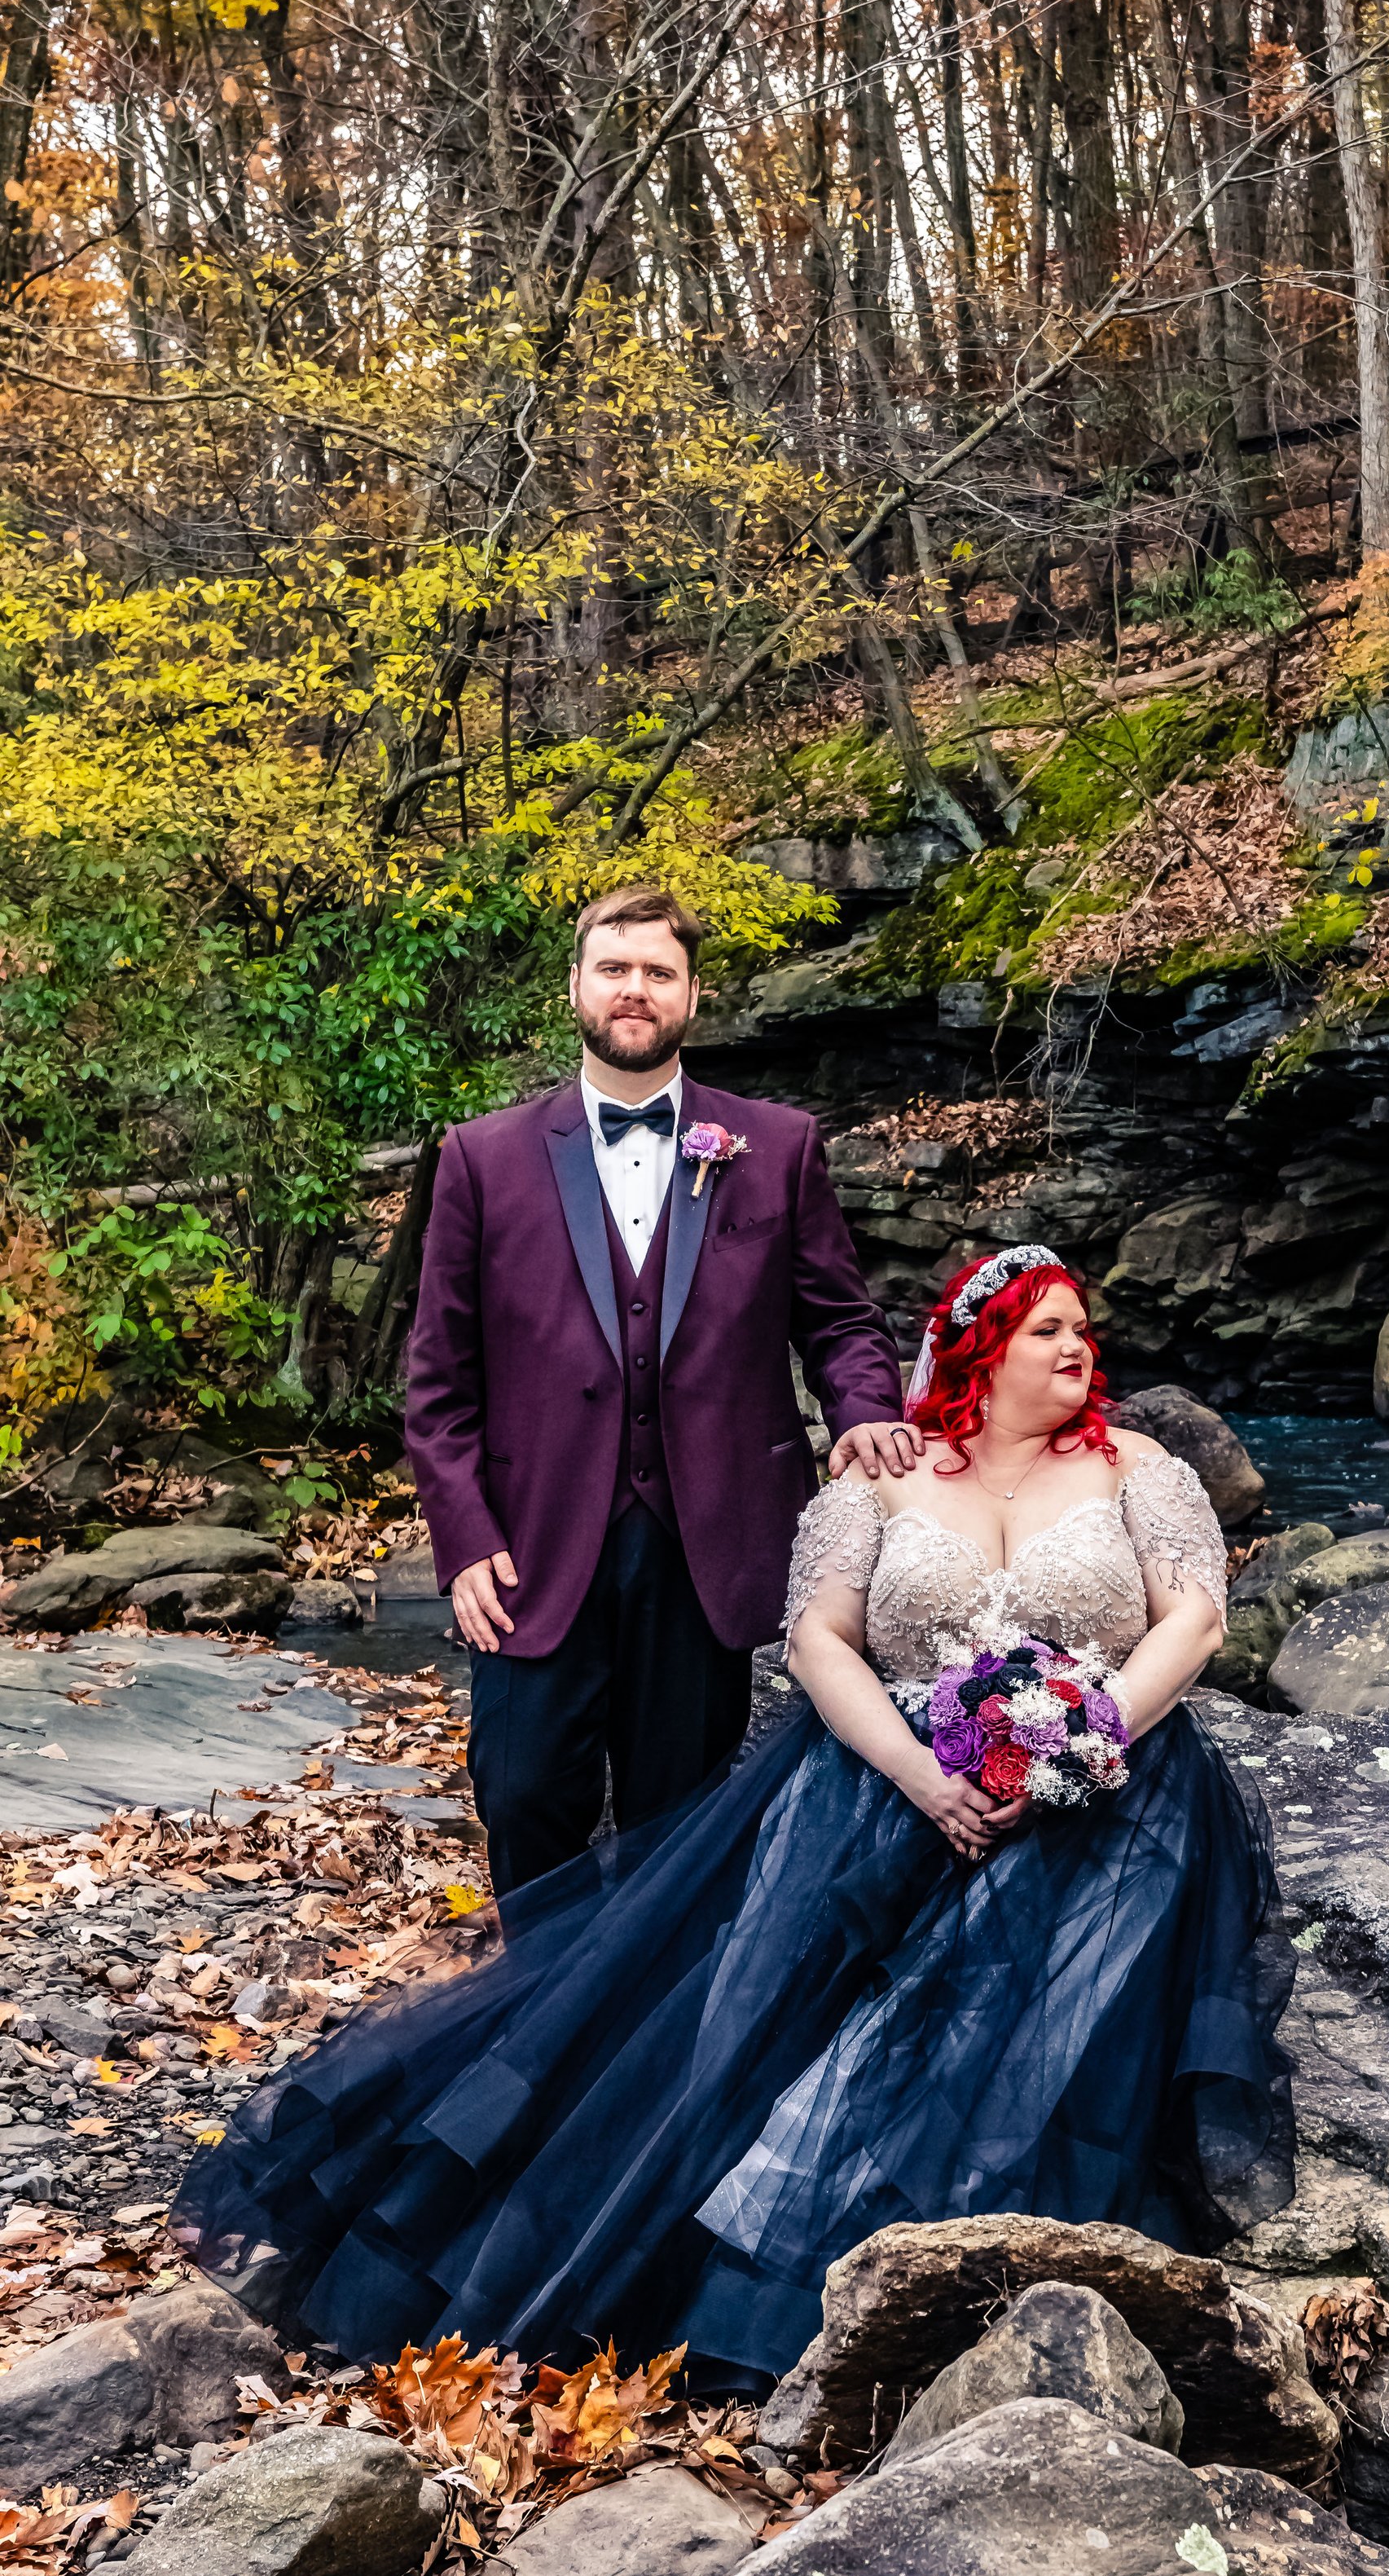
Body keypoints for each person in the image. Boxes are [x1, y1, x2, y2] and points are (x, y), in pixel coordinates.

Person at [174, 1250, 1294, 2387]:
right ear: (980, 1350)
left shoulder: (1135, 1469)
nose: (1075, 1349)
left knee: (1038, 2014)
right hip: (888, 1782)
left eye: (1080, 1330)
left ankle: (985, 2275)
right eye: (1046, 1329)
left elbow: (1194, 1620)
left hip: (1103, 1787)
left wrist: (1079, 1743)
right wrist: (919, 1772)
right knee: (765, 2023)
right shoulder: (882, 1476)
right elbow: (817, 1640)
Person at [403, 883, 913, 1891]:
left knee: (681, 1821)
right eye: (614, 968)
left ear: (692, 995)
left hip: (709, 1536)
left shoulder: (777, 1146)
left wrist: (864, 1415)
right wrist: (462, 1538)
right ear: (576, 986)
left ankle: (660, 1995)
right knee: (522, 1795)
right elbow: (438, 1378)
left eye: (657, 972)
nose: (634, 989)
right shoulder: (481, 1157)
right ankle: (547, 1991)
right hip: (531, 1541)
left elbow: (841, 1321)